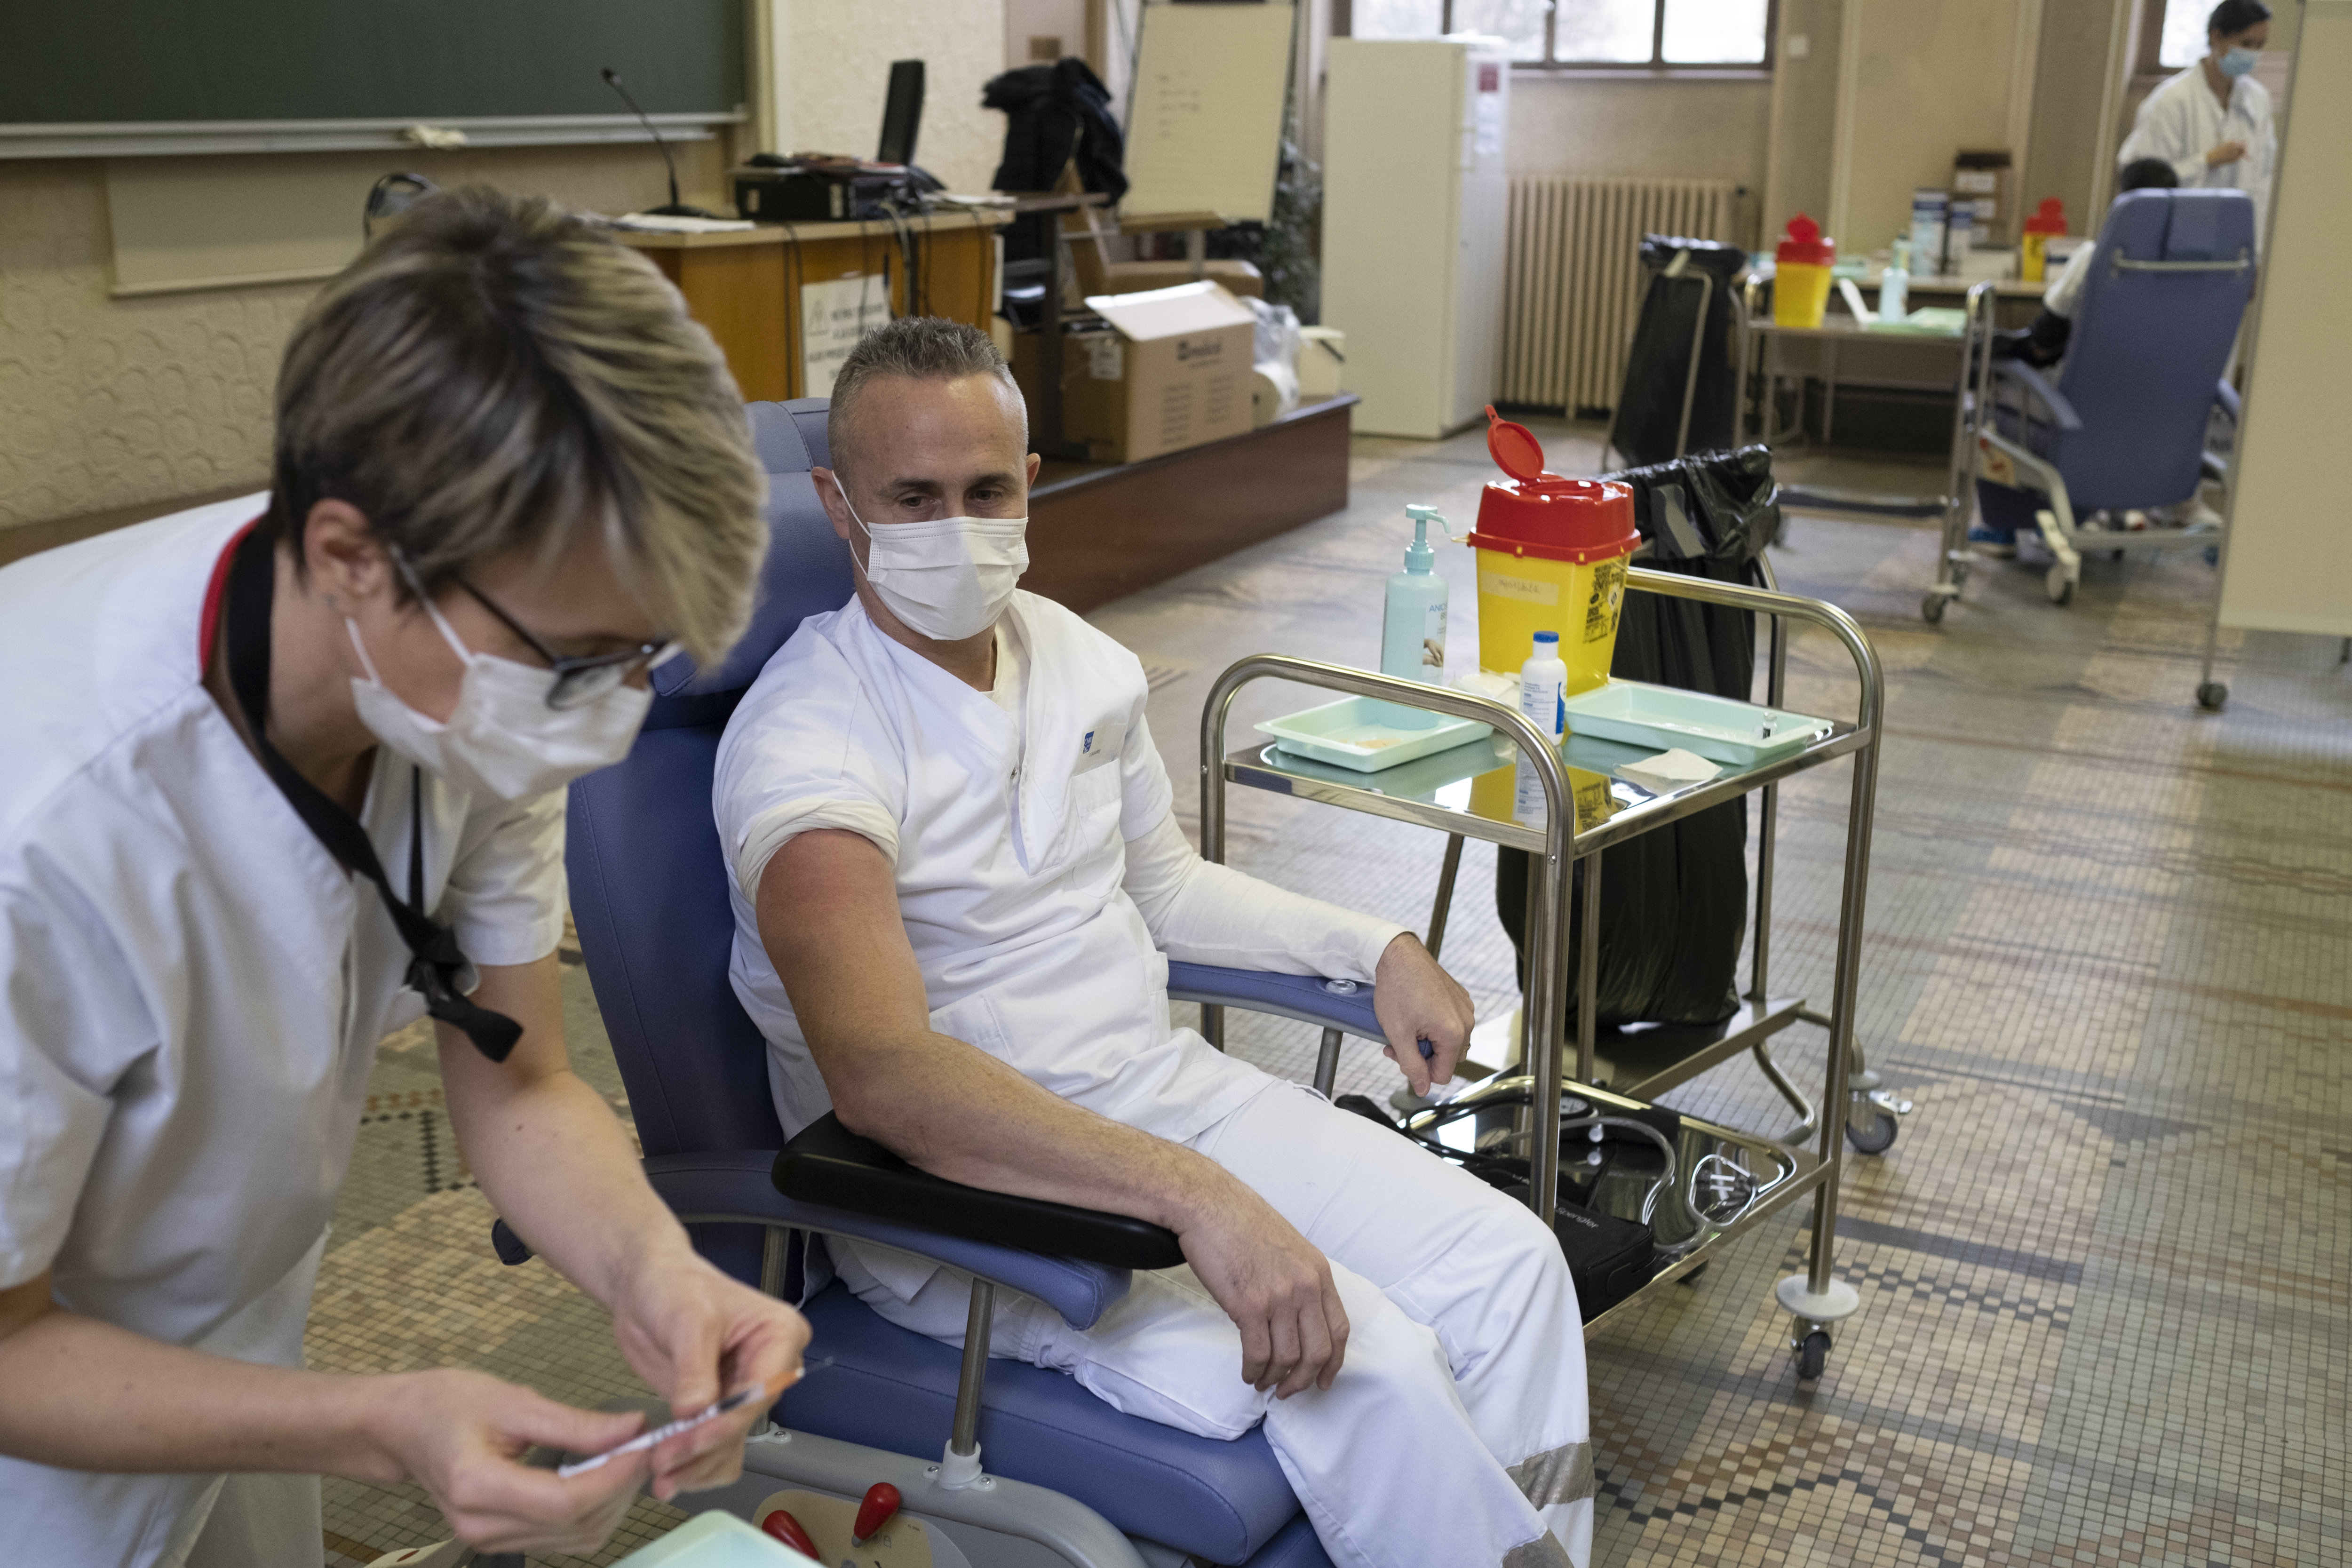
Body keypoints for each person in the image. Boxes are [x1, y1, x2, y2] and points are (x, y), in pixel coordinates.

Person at [0, 188, 810, 1567]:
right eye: (578, 660)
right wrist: (380, 1428)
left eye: (644, 657)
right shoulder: (47, 830)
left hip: (232, 1355)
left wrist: (653, 1270)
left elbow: (518, 1074)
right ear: (348, 556)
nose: (613, 714)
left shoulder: (455, 692)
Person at [715, 318, 1592, 1568]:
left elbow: (1165, 888)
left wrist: (1376, 941)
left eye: (986, 489)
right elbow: (886, 1076)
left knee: (1508, 1265)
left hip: (1164, 1099)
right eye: (912, 497)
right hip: (966, 1196)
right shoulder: (809, 744)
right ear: (838, 502)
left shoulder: (1079, 660)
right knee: (1371, 1356)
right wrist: (1198, 1199)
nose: (956, 528)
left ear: (1033, 483)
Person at [1969, 159, 2201, 555]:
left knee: (1989, 392)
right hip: (2158, 425)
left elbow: (2044, 341)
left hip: (2079, 421)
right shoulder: (2199, 271)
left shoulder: (2096, 258)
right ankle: (2073, 515)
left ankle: (2003, 528)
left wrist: (1996, 351)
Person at [2118, 0, 2274, 248]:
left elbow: (2264, 181)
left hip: (2235, 245)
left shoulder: (2258, 101)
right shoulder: (2171, 101)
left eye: (2260, 46)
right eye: (2246, 44)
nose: (2253, 54)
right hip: (2174, 241)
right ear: (2217, 37)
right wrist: (2207, 161)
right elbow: (2144, 186)